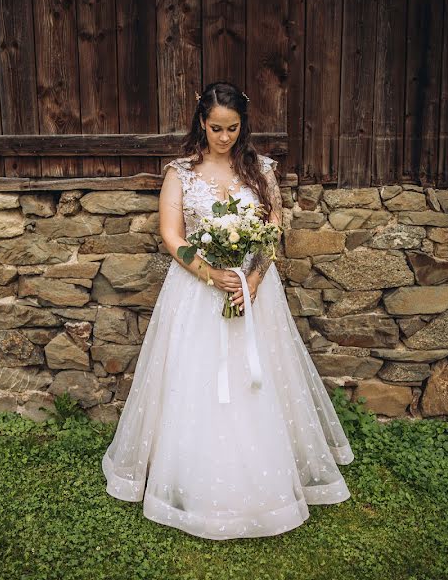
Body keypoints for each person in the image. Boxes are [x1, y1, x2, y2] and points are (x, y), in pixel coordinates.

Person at [101, 81, 354, 540]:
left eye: (232, 128)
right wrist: (208, 272)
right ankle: (187, 476)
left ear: (243, 125)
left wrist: (253, 278)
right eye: (216, 128)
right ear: (202, 122)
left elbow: (273, 225)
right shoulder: (181, 172)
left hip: (255, 286)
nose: (224, 137)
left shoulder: (260, 168)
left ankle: (265, 470)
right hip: (198, 288)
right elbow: (171, 233)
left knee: (258, 378)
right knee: (194, 379)